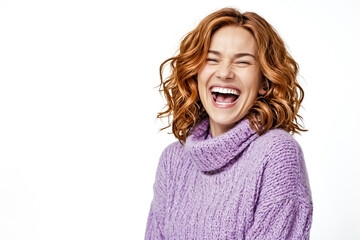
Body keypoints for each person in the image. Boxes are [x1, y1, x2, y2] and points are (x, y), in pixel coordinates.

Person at [145, 7, 313, 240]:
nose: (224, 72)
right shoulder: (174, 161)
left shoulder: (277, 153)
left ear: (264, 82)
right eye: (212, 59)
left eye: (242, 62)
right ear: (195, 74)